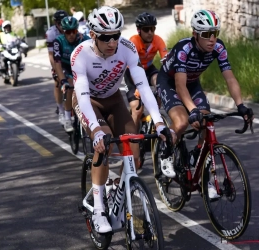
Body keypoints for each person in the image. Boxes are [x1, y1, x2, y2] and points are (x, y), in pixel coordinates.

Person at [71, 6, 175, 233]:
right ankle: (98, 209)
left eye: (116, 35)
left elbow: (143, 87)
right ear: (93, 35)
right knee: (104, 143)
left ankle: (117, 188)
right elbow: (83, 96)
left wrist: (158, 122)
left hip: (114, 100)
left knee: (134, 152)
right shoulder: (80, 54)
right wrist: (96, 131)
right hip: (88, 103)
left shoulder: (126, 48)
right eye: (105, 37)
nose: (112, 42)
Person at [156, 10, 254, 197]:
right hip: (170, 82)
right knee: (183, 122)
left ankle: (198, 157)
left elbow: (230, 78)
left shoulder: (218, 48)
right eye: (206, 34)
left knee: (206, 121)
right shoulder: (184, 49)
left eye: (215, 33)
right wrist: (192, 110)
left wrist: (240, 105)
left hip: (192, 84)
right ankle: (166, 153)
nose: (212, 39)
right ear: (195, 34)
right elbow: (179, 85)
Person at [124, 12, 168, 133]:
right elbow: (133, 68)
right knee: (137, 109)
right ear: (139, 31)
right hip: (132, 71)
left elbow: (166, 61)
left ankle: (155, 117)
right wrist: (139, 87)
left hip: (148, 69)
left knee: (159, 82)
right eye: (146, 29)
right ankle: (133, 137)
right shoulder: (133, 41)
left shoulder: (158, 40)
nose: (150, 33)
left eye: (152, 29)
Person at [53, 16, 90, 132]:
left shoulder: (84, 39)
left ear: (77, 30)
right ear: (63, 32)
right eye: (68, 32)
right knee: (69, 86)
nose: (71, 35)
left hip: (80, 66)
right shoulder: (58, 41)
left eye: (73, 31)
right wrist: (63, 80)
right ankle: (68, 118)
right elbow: (57, 64)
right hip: (65, 67)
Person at [46, 10, 68, 124]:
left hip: (69, 56)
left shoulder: (70, 28)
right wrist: (56, 70)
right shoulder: (51, 33)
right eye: (59, 23)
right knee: (58, 82)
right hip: (57, 58)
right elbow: (51, 55)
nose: (61, 25)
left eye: (63, 22)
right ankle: (60, 109)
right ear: (55, 23)